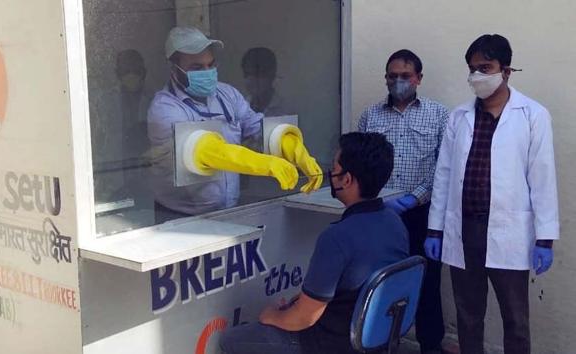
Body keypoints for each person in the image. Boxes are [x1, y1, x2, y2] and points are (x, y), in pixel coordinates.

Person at [424, 34, 559, 354]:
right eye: (472, 69)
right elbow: (443, 176)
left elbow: (542, 178)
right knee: (468, 315)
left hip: (509, 231)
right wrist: (435, 229)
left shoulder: (533, 115)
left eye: (485, 68)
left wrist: (545, 239)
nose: (477, 77)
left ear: (506, 70)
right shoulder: (459, 117)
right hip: (464, 229)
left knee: (515, 318)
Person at [219, 132, 409, 354]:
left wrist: (271, 316)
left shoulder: (338, 237)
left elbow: (303, 318)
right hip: (375, 337)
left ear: (346, 180)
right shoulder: (394, 222)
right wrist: (301, 302)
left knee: (232, 339)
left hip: (330, 343)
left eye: (335, 168)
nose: (331, 173)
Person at [147, 27, 307, 218]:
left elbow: (257, 126)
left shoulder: (227, 94)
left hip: (229, 209)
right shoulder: (164, 109)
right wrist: (264, 163)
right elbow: (206, 151)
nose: (207, 72)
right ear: (174, 69)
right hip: (180, 216)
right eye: (197, 68)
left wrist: (290, 144)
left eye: (211, 65)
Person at [357, 49, 448, 354]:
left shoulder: (438, 114)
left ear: (418, 79)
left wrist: (413, 199)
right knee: (379, 280)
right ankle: (378, 343)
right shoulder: (371, 115)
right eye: (392, 75)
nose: (398, 81)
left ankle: (430, 345)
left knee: (426, 282)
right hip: (379, 215)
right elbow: (362, 165)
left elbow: (445, 167)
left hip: (421, 214)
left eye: (405, 76)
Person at [91, 49, 151, 204]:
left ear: (144, 72)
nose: (131, 74)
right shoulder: (103, 101)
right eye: (126, 70)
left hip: (143, 166)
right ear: (118, 73)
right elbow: (98, 137)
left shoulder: (154, 100)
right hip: (114, 166)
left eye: (136, 70)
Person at [241, 47, 285, 116]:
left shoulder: (286, 111)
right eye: (247, 74)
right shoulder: (237, 109)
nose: (251, 80)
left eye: (257, 74)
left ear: (271, 76)